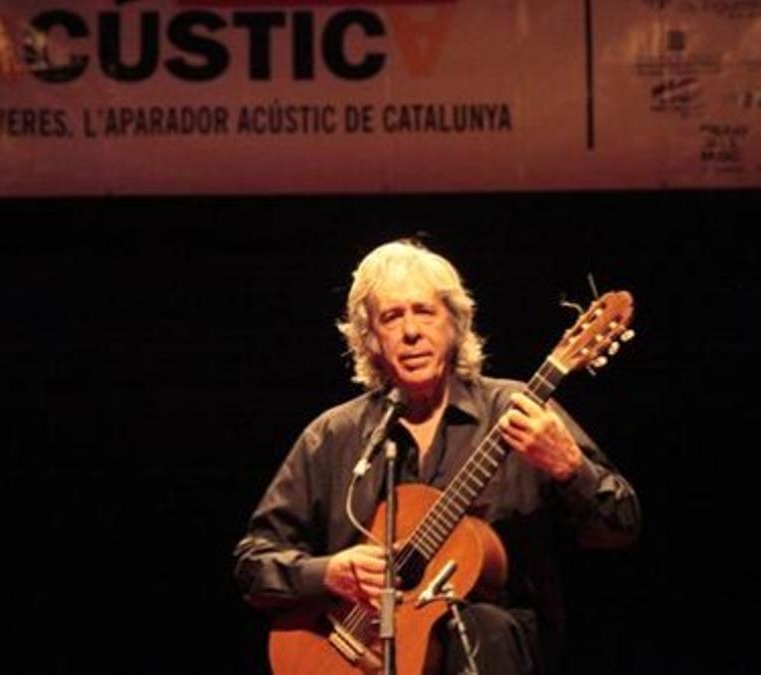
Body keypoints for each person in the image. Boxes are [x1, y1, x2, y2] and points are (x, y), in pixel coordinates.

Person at [233, 239, 640, 674]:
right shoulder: (334, 436)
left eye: (424, 311)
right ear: (370, 339)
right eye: (391, 317)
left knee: (482, 624)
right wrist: (328, 572)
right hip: (360, 656)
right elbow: (254, 562)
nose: (411, 331)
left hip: (497, 655)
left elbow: (621, 525)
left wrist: (570, 467)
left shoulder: (518, 411)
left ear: (455, 324)